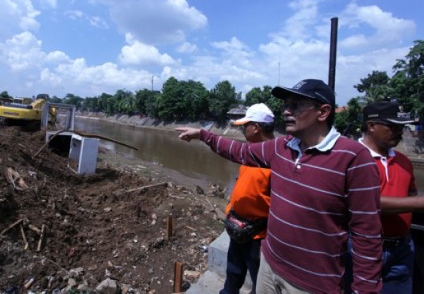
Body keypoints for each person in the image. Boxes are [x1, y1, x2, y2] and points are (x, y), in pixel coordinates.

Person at [177, 79, 382, 293]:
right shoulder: (281, 147)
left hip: (310, 284)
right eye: (286, 105)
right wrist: (203, 135)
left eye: (295, 105)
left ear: (323, 112)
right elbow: (239, 151)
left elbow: (367, 235)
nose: (286, 111)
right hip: (269, 267)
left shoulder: (355, 158)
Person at [358, 101, 424, 293]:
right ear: (371, 126)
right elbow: (364, 203)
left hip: (402, 248)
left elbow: (410, 193)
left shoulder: (403, 161)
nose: (399, 132)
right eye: (392, 126)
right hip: (363, 248)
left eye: (401, 127)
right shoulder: (353, 158)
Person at [220, 103, 274, 294]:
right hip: (238, 228)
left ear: (256, 128)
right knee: (233, 272)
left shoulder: (275, 158)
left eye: (245, 126)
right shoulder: (249, 153)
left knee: (260, 278)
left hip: (260, 237)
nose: (243, 130)